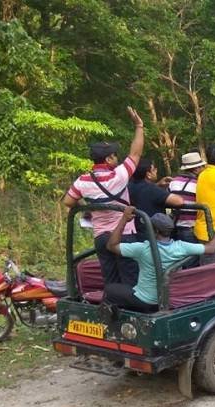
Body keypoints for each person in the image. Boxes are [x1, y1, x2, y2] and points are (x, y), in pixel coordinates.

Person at [62, 107, 144, 287]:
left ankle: (111, 311)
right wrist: (139, 126)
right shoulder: (119, 176)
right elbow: (136, 154)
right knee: (130, 281)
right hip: (124, 236)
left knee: (111, 281)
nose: (117, 158)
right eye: (114, 155)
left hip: (101, 237)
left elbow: (68, 201)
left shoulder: (83, 180)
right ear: (108, 160)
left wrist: (89, 209)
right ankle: (129, 313)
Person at [104, 206, 215, 312]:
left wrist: (124, 219)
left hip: (145, 299)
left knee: (110, 289)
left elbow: (111, 246)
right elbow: (211, 248)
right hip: (165, 299)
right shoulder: (181, 247)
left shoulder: (143, 249)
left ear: (155, 232)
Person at [128, 159, 185, 241]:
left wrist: (157, 185)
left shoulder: (130, 185)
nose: (156, 171)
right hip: (152, 235)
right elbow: (178, 201)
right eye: (154, 169)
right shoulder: (151, 189)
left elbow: (144, 192)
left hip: (135, 232)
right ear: (148, 174)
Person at [168, 152, 206, 243]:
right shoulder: (199, 184)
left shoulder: (173, 182)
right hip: (191, 228)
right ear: (196, 169)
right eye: (202, 167)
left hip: (174, 227)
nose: (203, 169)